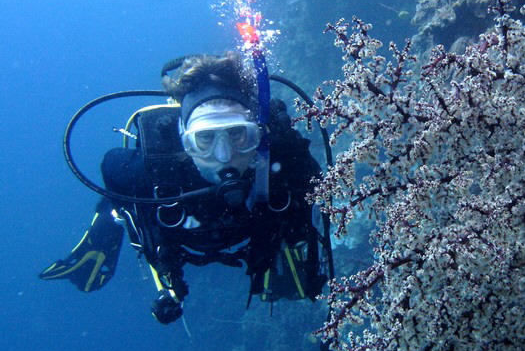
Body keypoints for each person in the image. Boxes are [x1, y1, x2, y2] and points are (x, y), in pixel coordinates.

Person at [40, 53, 330, 326]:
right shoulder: (152, 171)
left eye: (238, 134)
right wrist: (105, 234)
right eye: (204, 139)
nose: (224, 154)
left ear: (257, 134)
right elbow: (111, 169)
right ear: (184, 140)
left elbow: (318, 194)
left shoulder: (281, 160)